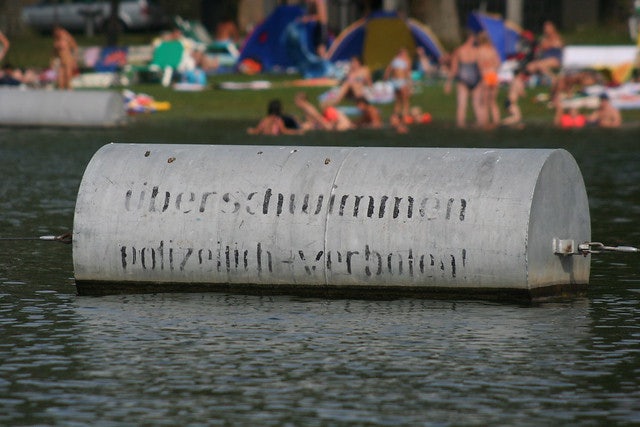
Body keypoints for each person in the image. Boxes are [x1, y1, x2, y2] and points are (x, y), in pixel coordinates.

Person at [445, 32, 482, 128]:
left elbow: (454, 68)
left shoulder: (459, 50)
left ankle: (461, 125)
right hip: (475, 77)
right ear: (470, 39)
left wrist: (448, 83)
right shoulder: (477, 51)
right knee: (477, 104)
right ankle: (480, 125)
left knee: (462, 105)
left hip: (463, 77)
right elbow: (481, 67)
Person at [476, 31, 501, 127]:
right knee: (493, 102)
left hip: (485, 76)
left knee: (485, 103)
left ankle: (485, 123)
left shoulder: (480, 50)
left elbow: (479, 65)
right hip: (494, 75)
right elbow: (498, 64)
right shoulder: (493, 50)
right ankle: (496, 122)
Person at [384, 47, 412, 123]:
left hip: (402, 81)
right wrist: (386, 75)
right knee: (398, 99)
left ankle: (404, 115)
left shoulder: (406, 60)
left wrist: (409, 83)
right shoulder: (395, 60)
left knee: (404, 98)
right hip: (395, 81)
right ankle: (397, 114)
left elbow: (407, 72)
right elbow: (389, 68)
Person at [53, 26, 78, 90]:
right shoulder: (57, 39)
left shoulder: (67, 37)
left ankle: (69, 88)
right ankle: (61, 88)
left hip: (68, 59)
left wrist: (74, 59)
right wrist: (53, 60)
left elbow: (74, 47)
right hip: (61, 60)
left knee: (68, 75)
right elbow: (55, 52)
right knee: (60, 77)